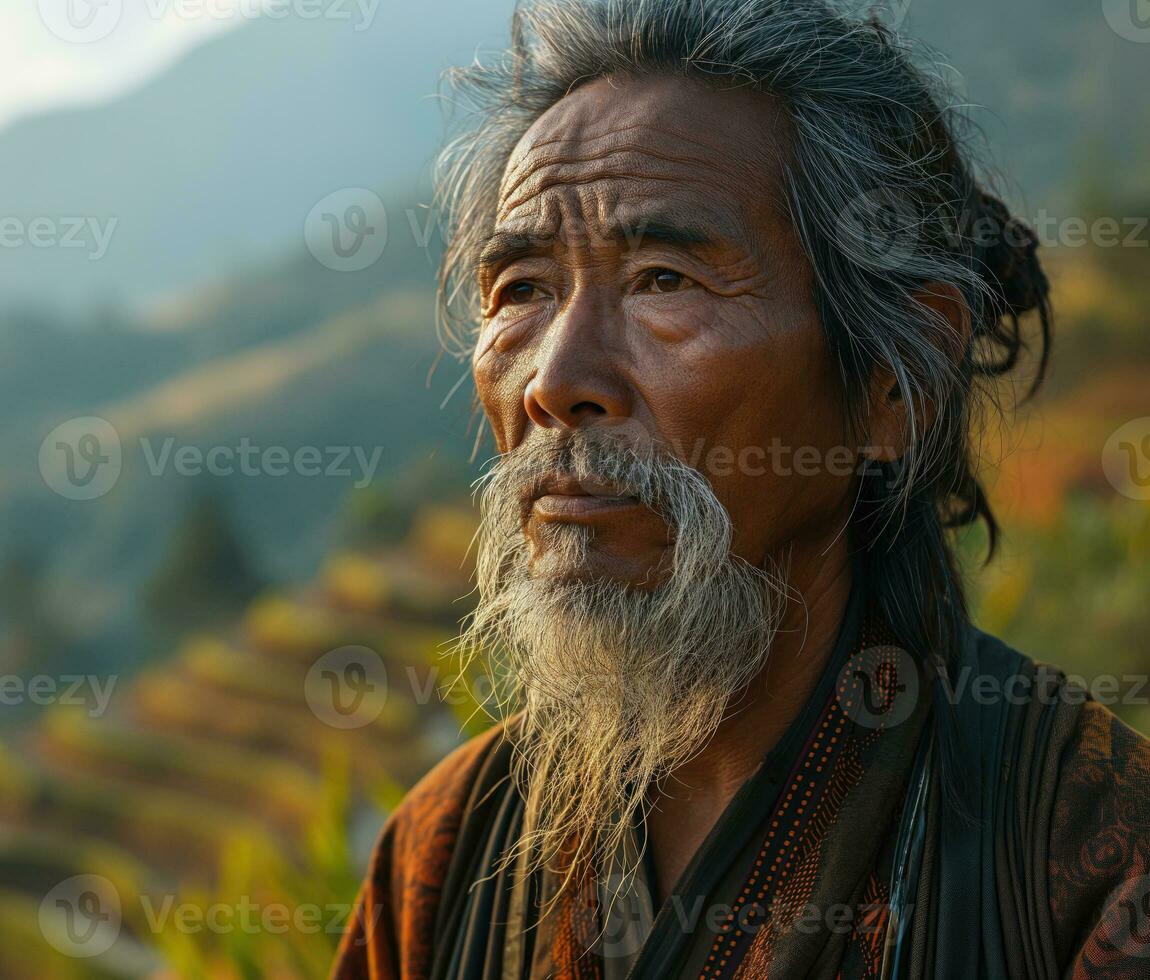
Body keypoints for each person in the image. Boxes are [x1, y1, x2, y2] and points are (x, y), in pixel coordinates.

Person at [331, 1, 1150, 977]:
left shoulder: (1087, 862)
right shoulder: (443, 854)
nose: (555, 379)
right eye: (523, 289)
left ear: (897, 385)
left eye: (664, 279)